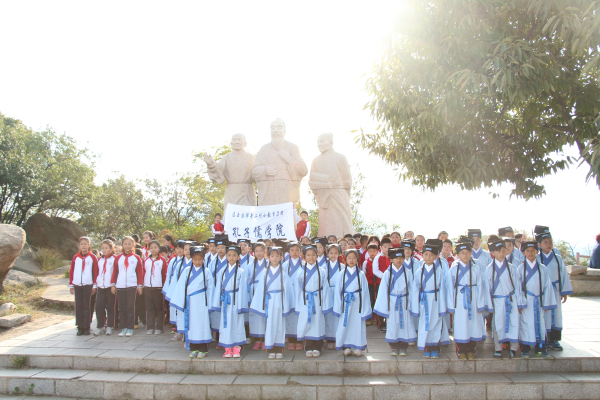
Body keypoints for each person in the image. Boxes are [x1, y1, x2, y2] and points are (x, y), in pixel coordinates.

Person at [169, 245, 214, 358]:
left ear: (203, 259)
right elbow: (181, 287)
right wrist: (183, 301)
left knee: (202, 325)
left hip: (202, 302)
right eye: (195, 259)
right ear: (192, 259)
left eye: (200, 259)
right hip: (191, 302)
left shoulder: (206, 271)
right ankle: (194, 348)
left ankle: (203, 349)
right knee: (192, 325)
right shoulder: (187, 271)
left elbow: (210, 288)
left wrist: (210, 303)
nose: (197, 262)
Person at [249, 246, 294, 359]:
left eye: (277, 256)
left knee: (279, 324)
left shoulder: (283, 272)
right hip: (269, 301)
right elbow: (260, 290)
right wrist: (261, 304)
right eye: (272, 255)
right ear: (268, 257)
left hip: (279, 300)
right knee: (269, 325)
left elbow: (288, 289)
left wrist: (287, 305)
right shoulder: (265, 272)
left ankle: (279, 348)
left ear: (281, 257)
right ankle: (270, 349)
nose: (274, 258)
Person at [446, 240, 488, 360]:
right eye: (463, 253)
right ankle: (461, 350)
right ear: (457, 255)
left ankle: (471, 349)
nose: (466, 255)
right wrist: (451, 306)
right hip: (459, 301)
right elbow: (450, 289)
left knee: (473, 325)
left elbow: (480, 287)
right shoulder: (454, 269)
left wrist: (480, 304)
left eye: (468, 252)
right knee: (460, 325)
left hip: (473, 299)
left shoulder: (476, 268)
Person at [252, 118, 308, 206]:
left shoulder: (292, 147)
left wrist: (289, 159)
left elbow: (303, 170)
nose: (275, 130)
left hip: (286, 194)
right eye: (273, 128)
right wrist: (265, 170)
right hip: (268, 195)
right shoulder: (264, 149)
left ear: (284, 131)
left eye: (279, 127)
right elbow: (254, 171)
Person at [518, 240, 557, 358]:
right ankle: (525, 347)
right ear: (523, 253)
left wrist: (546, 303)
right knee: (526, 323)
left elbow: (547, 286)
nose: (530, 253)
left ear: (537, 252)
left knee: (541, 323)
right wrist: (520, 303)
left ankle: (541, 347)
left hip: (539, 300)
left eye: (533, 250)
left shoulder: (542, 268)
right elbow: (518, 287)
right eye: (528, 251)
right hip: (527, 300)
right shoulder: (520, 269)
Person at [374, 248, 416, 356]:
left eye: (401, 258)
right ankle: (393, 346)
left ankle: (403, 347)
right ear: (391, 259)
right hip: (392, 302)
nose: (399, 260)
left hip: (404, 301)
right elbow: (383, 290)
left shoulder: (408, 272)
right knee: (392, 323)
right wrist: (384, 306)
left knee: (405, 323)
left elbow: (412, 289)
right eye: (396, 258)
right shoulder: (387, 273)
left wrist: (412, 304)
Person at [536, 229, 572, 351]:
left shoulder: (557, 258)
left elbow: (563, 275)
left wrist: (564, 291)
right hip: (543, 291)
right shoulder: (536, 258)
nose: (549, 244)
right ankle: (544, 339)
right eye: (545, 242)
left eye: (550, 242)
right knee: (544, 314)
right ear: (539, 244)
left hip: (555, 290)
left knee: (556, 315)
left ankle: (555, 340)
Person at [411, 243, 448, 358]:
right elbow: (415, 290)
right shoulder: (419, 272)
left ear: (435, 257)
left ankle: (435, 348)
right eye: (426, 254)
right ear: (422, 255)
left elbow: (442, 290)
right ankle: (426, 347)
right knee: (424, 324)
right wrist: (415, 306)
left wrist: (443, 306)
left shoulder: (439, 272)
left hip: (436, 300)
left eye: (431, 255)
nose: (428, 257)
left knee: (436, 323)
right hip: (424, 301)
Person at [486, 239, 522, 359]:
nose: (501, 254)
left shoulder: (511, 268)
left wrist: (519, 302)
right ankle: (498, 347)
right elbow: (487, 288)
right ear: (493, 253)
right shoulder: (489, 269)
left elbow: (517, 286)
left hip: (510, 300)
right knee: (498, 324)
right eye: (498, 251)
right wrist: (489, 305)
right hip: (497, 301)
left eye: (503, 251)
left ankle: (514, 347)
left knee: (513, 323)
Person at [211, 244, 249, 358]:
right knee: (225, 323)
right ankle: (227, 348)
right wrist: (217, 302)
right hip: (225, 300)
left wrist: (241, 305)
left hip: (236, 299)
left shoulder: (241, 272)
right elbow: (218, 287)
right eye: (229, 255)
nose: (231, 258)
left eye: (234, 255)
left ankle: (237, 347)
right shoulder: (222, 271)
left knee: (237, 322)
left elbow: (243, 289)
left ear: (238, 257)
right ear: (226, 256)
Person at [331, 249, 371, 356]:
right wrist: (338, 306)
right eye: (349, 258)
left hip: (357, 302)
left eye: (354, 257)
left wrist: (365, 308)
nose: (351, 260)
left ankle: (358, 347)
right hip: (345, 302)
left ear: (357, 259)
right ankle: (346, 346)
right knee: (344, 323)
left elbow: (365, 292)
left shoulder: (361, 274)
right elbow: (338, 291)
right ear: (345, 259)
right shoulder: (341, 274)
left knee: (357, 324)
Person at [296, 245, 332, 358]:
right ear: (304, 256)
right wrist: (299, 304)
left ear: (317, 256)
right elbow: (297, 289)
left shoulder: (321, 271)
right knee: (307, 322)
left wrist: (325, 304)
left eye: (313, 255)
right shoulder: (300, 271)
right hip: (306, 300)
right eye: (308, 255)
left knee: (318, 322)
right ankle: (308, 346)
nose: (311, 257)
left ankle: (318, 346)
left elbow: (325, 288)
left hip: (318, 300)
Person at [204, 133, 257, 208]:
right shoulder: (226, 158)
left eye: (239, 139)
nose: (237, 142)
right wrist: (211, 164)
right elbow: (219, 171)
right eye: (234, 140)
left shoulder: (251, 158)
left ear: (245, 143)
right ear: (231, 143)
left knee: (248, 216)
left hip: (248, 192)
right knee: (231, 215)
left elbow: (258, 174)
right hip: (231, 192)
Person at [111, 236, 143, 337]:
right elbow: (115, 272)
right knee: (122, 308)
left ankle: (130, 327)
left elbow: (139, 273)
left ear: (133, 245)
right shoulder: (118, 258)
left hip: (132, 286)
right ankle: (123, 327)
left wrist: (140, 286)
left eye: (130, 244)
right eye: (125, 244)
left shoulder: (136, 258)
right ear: (122, 245)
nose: (127, 246)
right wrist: (113, 285)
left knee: (130, 307)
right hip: (120, 286)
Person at [69, 236, 99, 336]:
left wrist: (94, 285)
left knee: (87, 305)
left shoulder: (92, 257)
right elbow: (72, 271)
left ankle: (86, 326)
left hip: (88, 284)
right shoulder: (76, 257)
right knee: (79, 305)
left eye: (85, 244)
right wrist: (71, 285)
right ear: (79, 245)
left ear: (89, 245)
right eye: (82, 244)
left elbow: (95, 271)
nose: (83, 246)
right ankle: (79, 326)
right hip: (77, 284)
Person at [166, 241, 193, 340]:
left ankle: (189, 334)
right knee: (180, 313)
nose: (187, 252)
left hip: (192, 293)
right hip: (181, 292)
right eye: (185, 249)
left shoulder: (197, 263)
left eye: (189, 249)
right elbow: (174, 279)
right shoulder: (179, 264)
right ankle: (180, 332)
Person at [143, 240, 168, 335]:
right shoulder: (146, 260)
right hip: (148, 287)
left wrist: (164, 287)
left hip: (158, 288)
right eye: (151, 248)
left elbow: (164, 274)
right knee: (149, 308)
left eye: (155, 247)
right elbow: (143, 272)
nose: (153, 249)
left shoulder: (162, 260)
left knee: (159, 308)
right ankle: (150, 327)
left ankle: (159, 327)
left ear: (159, 248)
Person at [248, 242, 269, 350]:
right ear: (253, 252)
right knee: (255, 316)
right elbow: (247, 281)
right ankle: (257, 339)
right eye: (257, 251)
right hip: (254, 292)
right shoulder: (250, 265)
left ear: (265, 251)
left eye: (261, 251)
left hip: (265, 292)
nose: (259, 253)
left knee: (265, 316)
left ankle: (265, 339)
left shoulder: (269, 263)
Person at [209, 236, 229, 346]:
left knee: (226, 315)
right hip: (216, 291)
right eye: (218, 248)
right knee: (216, 315)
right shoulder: (213, 262)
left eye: (222, 247)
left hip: (226, 292)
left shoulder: (229, 259)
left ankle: (225, 338)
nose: (220, 250)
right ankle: (217, 338)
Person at [162, 240, 186, 334]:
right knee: (174, 308)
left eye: (181, 248)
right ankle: (176, 327)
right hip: (174, 285)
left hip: (184, 288)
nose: (179, 250)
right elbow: (168, 275)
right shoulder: (173, 260)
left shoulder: (187, 260)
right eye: (177, 248)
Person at [95, 239, 116, 336]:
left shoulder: (114, 259)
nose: (104, 250)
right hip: (100, 287)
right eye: (102, 248)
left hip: (110, 287)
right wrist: (95, 284)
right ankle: (100, 326)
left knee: (110, 307)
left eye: (106, 248)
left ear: (111, 249)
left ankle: (110, 326)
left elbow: (115, 273)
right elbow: (97, 272)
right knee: (99, 306)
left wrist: (113, 285)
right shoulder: (100, 259)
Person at [324, 244, 344, 348]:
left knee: (337, 315)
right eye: (331, 253)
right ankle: (329, 339)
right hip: (328, 292)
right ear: (327, 253)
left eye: (336, 253)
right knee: (328, 316)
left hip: (338, 292)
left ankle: (337, 337)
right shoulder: (323, 267)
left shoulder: (343, 267)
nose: (333, 255)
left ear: (339, 254)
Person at [362, 243, 380, 327]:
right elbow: (363, 273)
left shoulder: (379, 260)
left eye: (374, 251)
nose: (372, 253)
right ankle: (369, 317)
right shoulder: (366, 262)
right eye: (370, 251)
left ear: (377, 251)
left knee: (377, 299)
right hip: (369, 284)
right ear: (367, 252)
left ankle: (377, 317)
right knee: (369, 300)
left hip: (377, 283)